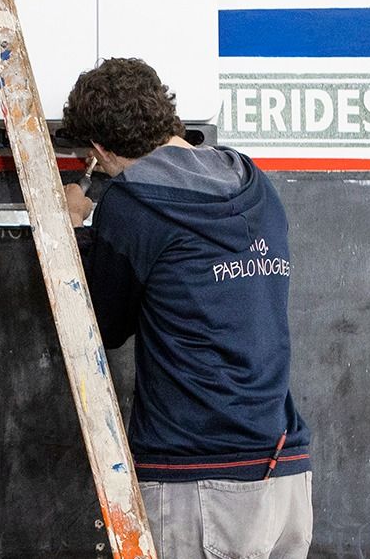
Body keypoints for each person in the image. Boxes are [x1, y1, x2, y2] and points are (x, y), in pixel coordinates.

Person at [62, 58, 313, 558]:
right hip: (283, 469)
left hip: (198, 478)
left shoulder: (132, 205)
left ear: (99, 150)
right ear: (166, 114)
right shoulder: (253, 181)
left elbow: (103, 326)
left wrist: (75, 228)